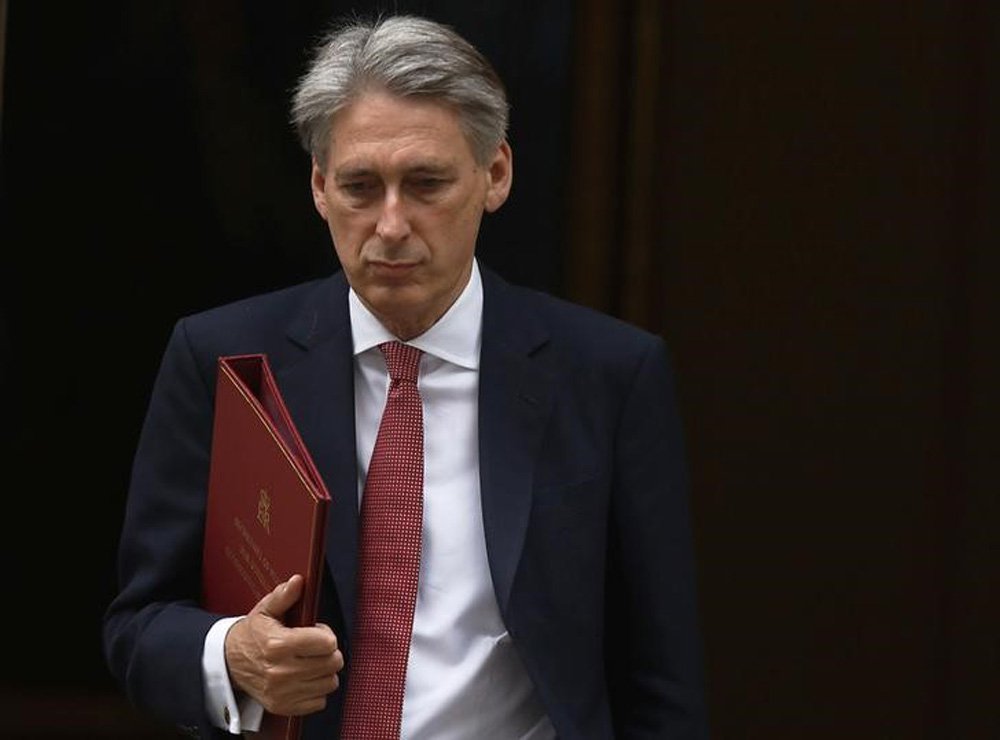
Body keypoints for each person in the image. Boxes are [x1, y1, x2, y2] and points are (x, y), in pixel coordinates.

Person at [102, 12, 709, 740]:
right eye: (361, 187)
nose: (391, 225)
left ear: (495, 175)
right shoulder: (225, 360)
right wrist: (230, 653)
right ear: (320, 187)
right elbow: (139, 624)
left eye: (426, 184)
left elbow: (659, 675)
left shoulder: (608, 375)